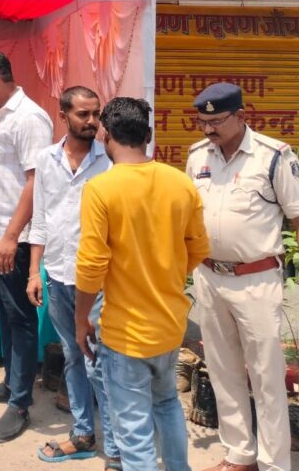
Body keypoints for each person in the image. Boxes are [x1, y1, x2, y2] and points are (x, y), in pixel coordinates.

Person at [185, 82, 299, 471]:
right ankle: (239, 454)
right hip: (209, 276)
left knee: (266, 375)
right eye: (203, 121)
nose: (208, 129)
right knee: (222, 369)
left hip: (256, 280)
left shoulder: (273, 156)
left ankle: (273, 463)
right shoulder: (197, 156)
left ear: (242, 116)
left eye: (217, 121)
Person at [75, 97, 209, 471]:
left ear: (105, 135)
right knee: (167, 404)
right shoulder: (180, 183)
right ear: (147, 135)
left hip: (125, 334)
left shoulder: (101, 189)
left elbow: (91, 266)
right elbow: (199, 248)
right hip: (169, 326)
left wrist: (80, 320)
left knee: (133, 432)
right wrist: (165, 272)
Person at [27, 86, 119, 467]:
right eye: (84, 114)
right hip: (57, 275)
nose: (92, 121)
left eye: (96, 114)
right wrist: (34, 271)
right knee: (72, 356)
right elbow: (40, 219)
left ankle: (116, 449)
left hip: (97, 283)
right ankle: (83, 433)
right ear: (63, 115)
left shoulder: (110, 161)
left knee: (99, 362)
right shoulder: (46, 160)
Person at [0, 49, 53, 443]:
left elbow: (36, 182)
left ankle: (20, 403)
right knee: (3, 309)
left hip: (10, 238)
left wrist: (11, 236)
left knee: (20, 316)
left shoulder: (29, 117)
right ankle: (9, 382)